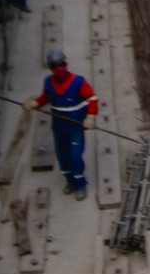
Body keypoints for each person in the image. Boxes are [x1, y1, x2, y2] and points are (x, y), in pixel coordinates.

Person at [25, 49, 98, 200]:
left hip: (75, 126)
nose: (59, 69)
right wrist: (34, 103)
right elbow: (45, 97)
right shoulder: (48, 82)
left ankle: (80, 184)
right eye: (54, 66)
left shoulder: (78, 82)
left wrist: (90, 116)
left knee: (75, 156)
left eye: (61, 65)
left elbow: (92, 98)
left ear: (66, 64)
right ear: (50, 68)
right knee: (62, 156)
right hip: (59, 126)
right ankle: (70, 181)